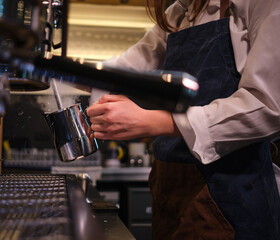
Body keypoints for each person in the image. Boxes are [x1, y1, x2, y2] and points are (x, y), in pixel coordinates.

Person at [86, 0, 280, 239]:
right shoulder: (177, 14)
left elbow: (268, 105)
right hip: (170, 191)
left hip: (231, 198)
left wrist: (158, 121)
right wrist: (46, 66)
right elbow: (125, 72)